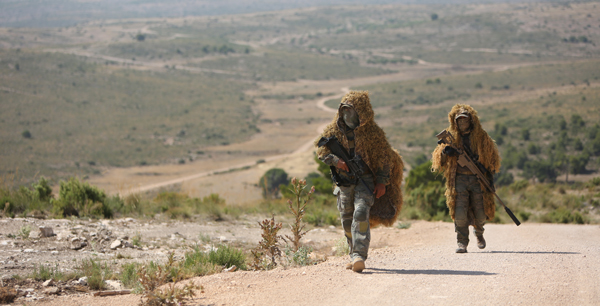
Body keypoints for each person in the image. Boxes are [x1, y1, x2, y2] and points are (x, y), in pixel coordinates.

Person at [315, 91, 404, 272]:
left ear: (362, 112)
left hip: (365, 180)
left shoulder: (374, 133)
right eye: (345, 110)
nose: (348, 115)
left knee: (361, 213)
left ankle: (359, 255)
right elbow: (322, 151)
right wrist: (336, 161)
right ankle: (352, 253)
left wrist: (381, 182)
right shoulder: (334, 130)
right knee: (346, 218)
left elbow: (385, 158)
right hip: (343, 182)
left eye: (352, 111)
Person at [431, 104, 501, 253]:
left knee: (481, 213)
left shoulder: (481, 137)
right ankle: (462, 242)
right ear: (455, 122)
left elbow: (491, 159)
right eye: (459, 121)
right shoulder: (451, 137)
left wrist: (489, 178)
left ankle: (479, 233)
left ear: (471, 121)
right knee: (460, 214)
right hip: (459, 179)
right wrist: (446, 152)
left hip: (477, 180)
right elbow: (439, 159)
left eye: (465, 120)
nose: (462, 123)